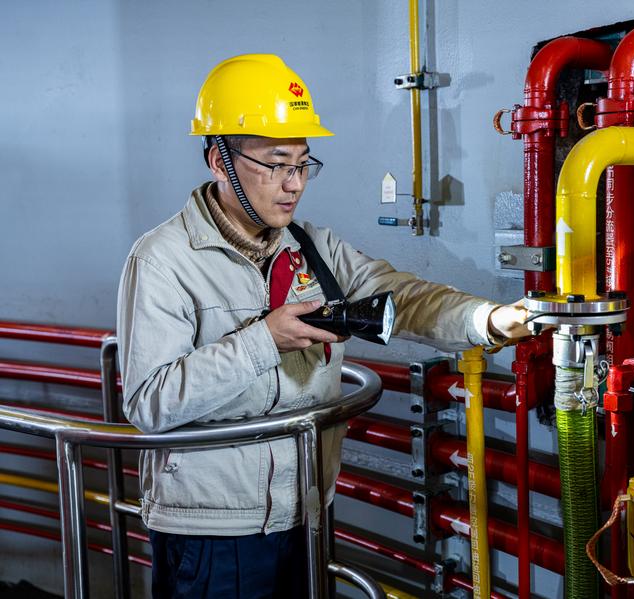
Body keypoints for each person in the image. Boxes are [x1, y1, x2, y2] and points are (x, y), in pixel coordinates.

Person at [117, 54, 531, 598]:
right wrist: (264, 341)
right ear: (219, 160)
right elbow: (149, 402)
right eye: (276, 164)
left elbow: (401, 297)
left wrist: (489, 318)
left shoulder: (313, 249)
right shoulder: (163, 260)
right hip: (212, 529)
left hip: (306, 511)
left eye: (303, 164)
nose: (293, 184)